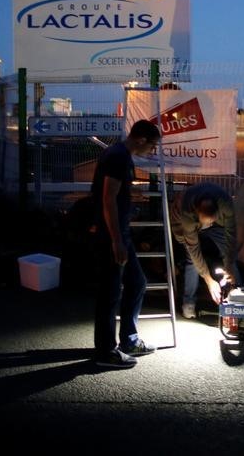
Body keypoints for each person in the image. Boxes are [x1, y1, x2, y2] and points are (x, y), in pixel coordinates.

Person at [91, 119, 161, 368]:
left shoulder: (119, 155)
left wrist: (131, 195)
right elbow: (108, 198)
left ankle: (128, 340)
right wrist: (116, 241)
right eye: (152, 146)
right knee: (110, 293)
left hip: (120, 235)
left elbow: (115, 193)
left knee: (137, 283)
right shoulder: (119, 156)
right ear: (141, 139)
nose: (152, 151)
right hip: (113, 236)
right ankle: (105, 352)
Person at [170, 182, 242, 318]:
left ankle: (240, 301)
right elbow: (194, 249)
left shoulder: (226, 204)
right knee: (191, 259)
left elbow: (230, 237)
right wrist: (209, 280)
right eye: (205, 221)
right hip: (183, 225)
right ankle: (188, 303)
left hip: (217, 225)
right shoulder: (187, 212)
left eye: (210, 221)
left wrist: (229, 265)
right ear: (197, 213)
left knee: (231, 258)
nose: (206, 224)